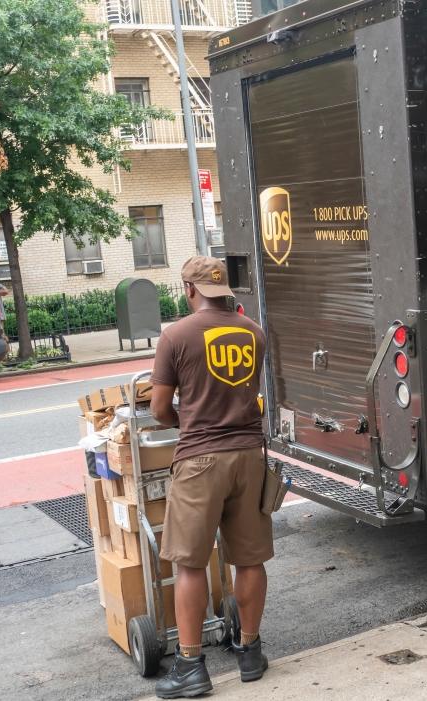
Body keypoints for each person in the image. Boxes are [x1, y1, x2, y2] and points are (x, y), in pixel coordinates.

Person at [150, 256, 271, 699]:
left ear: (189, 289)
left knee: (190, 562)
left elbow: (159, 409)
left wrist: (186, 420)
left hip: (201, 459)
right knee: (249, 558)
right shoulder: (253, 332)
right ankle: (250, 652)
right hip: (249, 456)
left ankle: (190, 666)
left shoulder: (176, 335)